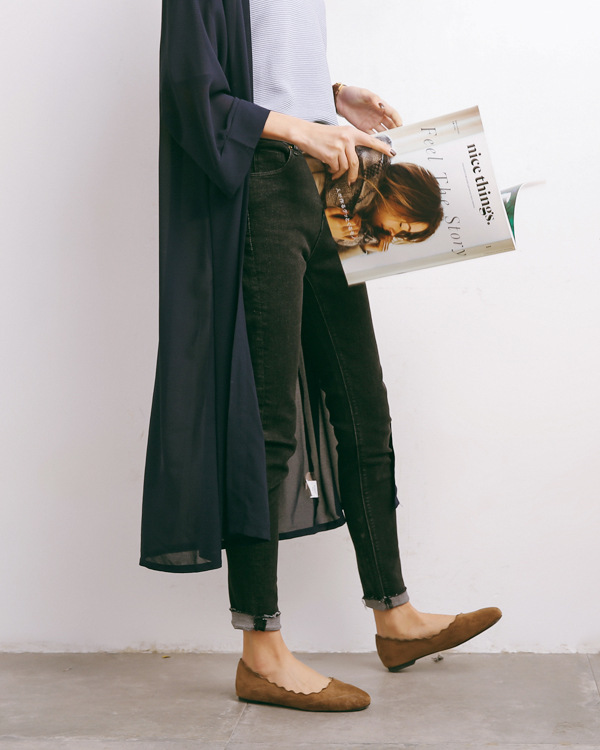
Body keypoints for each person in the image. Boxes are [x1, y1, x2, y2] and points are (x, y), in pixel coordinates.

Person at [140, 0, 501, 712]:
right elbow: (191, 87)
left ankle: (395, 618)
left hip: (325, 187)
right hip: (263, 186)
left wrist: (330, 98)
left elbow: (268, 62)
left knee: (364, 408)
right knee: (268, 420)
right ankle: (261, 649)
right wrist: (300, 126)